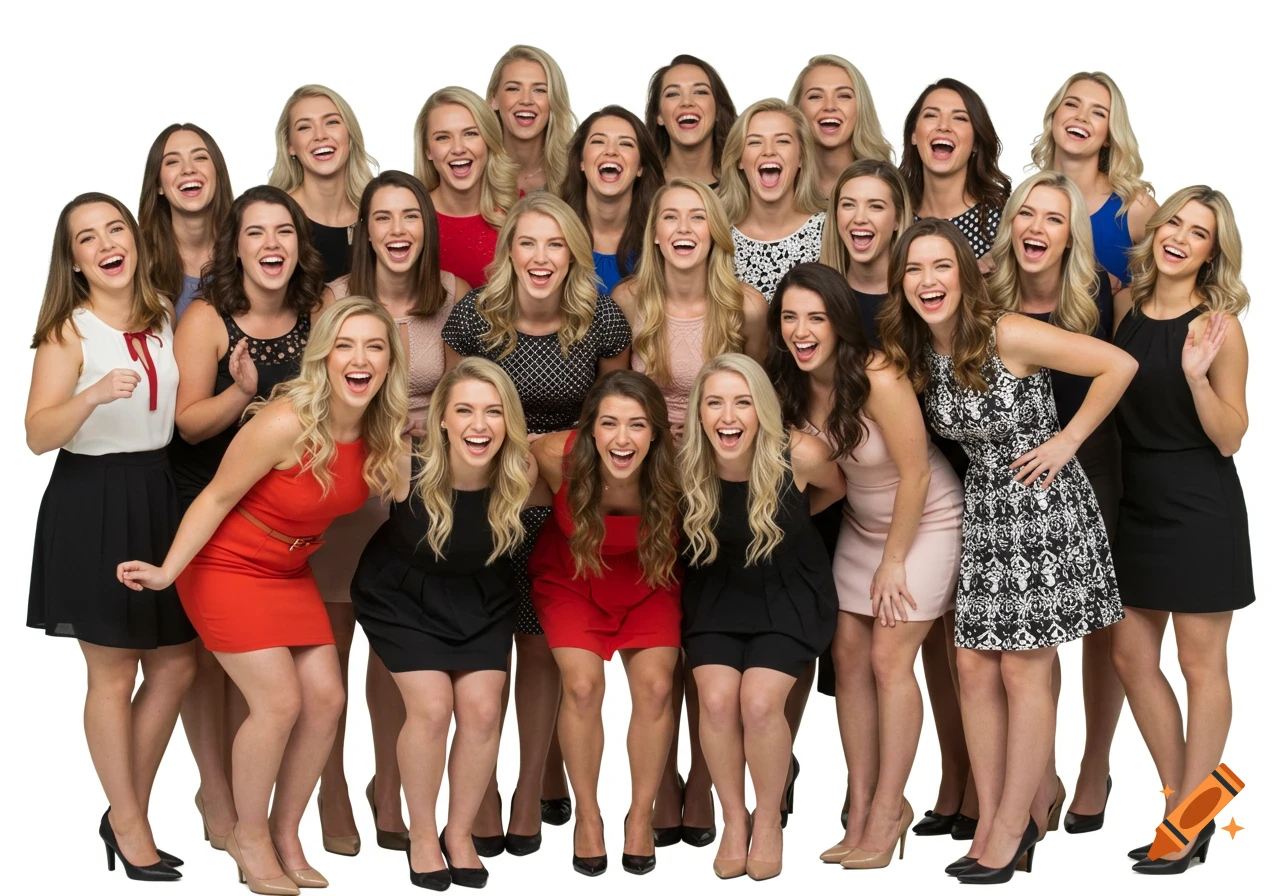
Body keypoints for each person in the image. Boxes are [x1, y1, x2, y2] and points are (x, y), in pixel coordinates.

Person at [118, 297, 409, 894]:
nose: (359, 359)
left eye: (374, 347)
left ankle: (285, 832)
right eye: (345, 346)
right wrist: (169, 571)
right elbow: (216, 497)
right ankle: (247, 837)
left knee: (326, 698)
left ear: (389, 363)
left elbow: (406, 495)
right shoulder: (284, 421)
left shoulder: (381, 432)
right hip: (225, 566)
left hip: (288, 570)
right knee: (278, 702)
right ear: (324, 357)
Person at [878, 219, 1132, 883]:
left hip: (1043, 509)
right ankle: (995, 818)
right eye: (914, 270)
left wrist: (1067, 440)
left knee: (1023, 671)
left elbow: (1118, 365)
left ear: (964, 274)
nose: (928, 281)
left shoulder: (1007, 332)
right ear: (900, 284)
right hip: (986, 514)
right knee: (971, 667)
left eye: (941, 266)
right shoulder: (918, 351)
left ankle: (1014, 827)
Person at [442, 191, 631, 855]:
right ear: (510, 252)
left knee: (542, 648)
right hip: (485, 503)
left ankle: (529, 789)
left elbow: (612, 425)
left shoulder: (600, 319)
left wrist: (550, 467)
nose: (541, 257)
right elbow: (454, 416)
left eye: (555, 244)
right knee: (485, 649)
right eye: (528, 243)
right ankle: (482, 790)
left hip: (564, 503)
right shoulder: (474, 317)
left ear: (574, 254)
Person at [768, 262, 964, 869]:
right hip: (860, 523)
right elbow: (818, 478)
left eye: (815, 318)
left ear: (839, 323)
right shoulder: (789, 383)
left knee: (888, 658)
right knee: (847, 656)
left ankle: (888, 809)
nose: (802, 331)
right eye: (790, 318)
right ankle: (859, 807)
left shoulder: (877, 373)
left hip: (926, 520)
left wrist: (895, 561)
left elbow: (916, 472)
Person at [27, 192, 196, 882]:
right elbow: (37, 434)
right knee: (114, 671)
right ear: (74, 260)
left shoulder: (162, 314)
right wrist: (91, 395)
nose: (106, 245)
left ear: (134, 237)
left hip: (158, 492)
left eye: (114, 229)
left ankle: (124, 810)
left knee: (177, 664)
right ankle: (130, 825)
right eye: (87, 238)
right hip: (92, 500)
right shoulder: (68, 329)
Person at [310, 169, 469, 855]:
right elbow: (317, 395)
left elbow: (463, 400)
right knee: (331, 652)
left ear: (426, 229)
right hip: (350, 487)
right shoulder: (335, 298)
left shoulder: (454, 296)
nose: (398, 230)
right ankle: (331, 788)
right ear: (365, 231)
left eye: (411, 216)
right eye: (383, 217)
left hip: (423, 492)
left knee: (395, 652)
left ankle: (389, 782)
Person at [168, 184, 325, 858]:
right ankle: (217, 794)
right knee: (209, 663)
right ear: (235, 246)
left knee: (260, 674)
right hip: (207, 499)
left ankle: (246, 804)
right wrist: (241, 393)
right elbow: (187, 423)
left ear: (299, 244)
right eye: (255, 232)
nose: (270, 244)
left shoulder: (317, 312)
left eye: (283, 231)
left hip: (280, 510)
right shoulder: (208, 316)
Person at [1108, 187, 1253, 874]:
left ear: (1211, 254)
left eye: (1199, 233)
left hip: (1199, 505)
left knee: (1201, 667)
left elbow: (1231, 437)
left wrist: (1198, 379)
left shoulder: (1219, 327)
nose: (1180, 238)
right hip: (1134, 500)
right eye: (1174, 223)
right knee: (1130, 658)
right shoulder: (1124, 309)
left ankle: (1187, 824)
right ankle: (1187, 809)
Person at [351, 357, 537, 889]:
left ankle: (459, 834)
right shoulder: (403, 462)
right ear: (442, 420)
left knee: (482, 711)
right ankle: (423, 836)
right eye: (465, 411)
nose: (479, 425)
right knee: (432, 709)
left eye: (493, 412)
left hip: (481, 597)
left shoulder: (521, 471)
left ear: (509, 420)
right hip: (401, 596)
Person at [987, 170, 1124, 832]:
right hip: (1008, 479)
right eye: (1026, 214)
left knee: (1095, 633)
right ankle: (1040, 779)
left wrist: (1068, 441)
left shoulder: (1098, 294)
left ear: (1072, 236)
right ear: (1010, 224)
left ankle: (1095, 767)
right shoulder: (986, 293)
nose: (1037, 228)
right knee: (1028, 647)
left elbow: (1118, 373)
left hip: (1085, 467)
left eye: (1054, 218)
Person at [679, 353, 845, 880]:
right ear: (699, 412)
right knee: (716, 700)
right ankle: (735, 819)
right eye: (715, 403)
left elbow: (834, 491)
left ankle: (769, 818)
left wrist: (779, 525)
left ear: (762, 409)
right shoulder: (685, 461)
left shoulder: (801, 453)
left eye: (743, 403)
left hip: (789, 590)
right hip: (716, 590)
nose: (728, 417)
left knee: (758, 702)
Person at [529, 371, 683, 876]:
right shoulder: (554, 455)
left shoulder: (679, 469)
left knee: (657, 688)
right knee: (581, 686)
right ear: (589, 428)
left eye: (637, 425)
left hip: (651, 578)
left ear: (655, 432)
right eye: (609, 423)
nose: (622, 438)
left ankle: (640, 816)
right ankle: (588, 816)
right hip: (573, 578)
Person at [1031, 71, 1156, 287]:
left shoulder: (1133, 205)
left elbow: (1185, 269)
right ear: (1053, 117)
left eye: (1098, 113)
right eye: (1072, 104)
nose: (1081, 117)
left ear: (1109, 135)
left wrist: (1129, 294)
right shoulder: (1026, 198)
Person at [718, 99, 826, 302]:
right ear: (739, 159)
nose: (769, 151)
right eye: (755, 142)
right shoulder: (718, 233)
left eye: (782, 141)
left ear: (801, 157)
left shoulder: (829, 230)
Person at [269, 84, 378, 282]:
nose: (320, 135)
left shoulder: (378, 212)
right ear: (290, 145)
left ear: (350, 135)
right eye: (304, 127)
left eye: (331, 122)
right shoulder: (273, 216)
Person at [899, 78, 1010, 270]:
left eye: (959, 118)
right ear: (913, 135)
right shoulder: (893, 212)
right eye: (931, 115)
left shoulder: (1005, 219)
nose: (943, 126)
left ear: (976, 142)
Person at [414, 86, 519, 288]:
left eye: (470, 134)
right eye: (443, 137)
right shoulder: (410, 217)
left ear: (488, 141)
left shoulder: (521, 209)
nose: (458, 148)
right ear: (428, 150)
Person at [559, 105, 664, 293]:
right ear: (581, 162)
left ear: (640, 167)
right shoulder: (553, 230)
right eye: (598, 141)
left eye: (625, 144)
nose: (611, 151)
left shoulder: (662, 238)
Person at [138, 122, 233, 319]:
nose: (188, 169)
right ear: (158, 184)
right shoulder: (137, 260)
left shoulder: (247, 250)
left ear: (218, 175)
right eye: (172, 162)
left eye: (200, 158)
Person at [787, 55, 893, 199]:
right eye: (816, 96)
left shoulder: (889, 184)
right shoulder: (780, 185)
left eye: (843, 96)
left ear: (861, 107)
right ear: (798, 108)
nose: (830, 106)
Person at [486, 45, 577, 194]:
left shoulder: (576, 172)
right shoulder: (475, 169)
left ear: (554, 100)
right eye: (513, 89)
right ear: (493, 99)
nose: (526, 100)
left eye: (539, 90)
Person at [645, 54, 736, 187]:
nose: (687, 102)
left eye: (700, 92)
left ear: (718, 111)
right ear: (659, 115)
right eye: (673, 94)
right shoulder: (637, 183)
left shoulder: (746, 180)